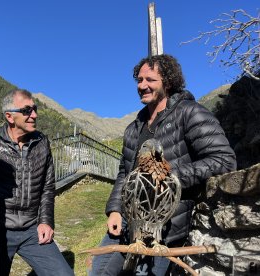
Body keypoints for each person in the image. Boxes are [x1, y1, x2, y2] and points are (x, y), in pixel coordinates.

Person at [90, 54, 236, 276]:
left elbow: (224, 160)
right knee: (100, 272)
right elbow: (124, 173)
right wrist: (114, 210)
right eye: (139, 80)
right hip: (129, 220)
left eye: (150, 80)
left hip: (164, 226)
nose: (142, 85)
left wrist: (167, 176)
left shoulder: (190, 113)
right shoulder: (133, 128)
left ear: (167, 82)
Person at [0, 89, 74, 276]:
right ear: (10, 116)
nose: (34, 115)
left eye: (34, 109)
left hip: (32, 230)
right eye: (27, 110)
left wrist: (46, 221)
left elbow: (47, 186)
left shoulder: (42, 142)